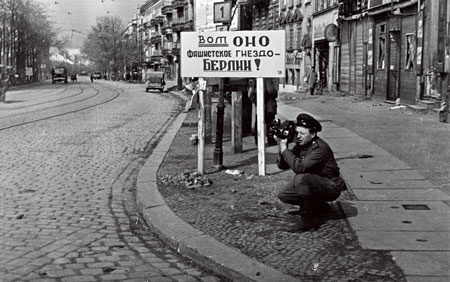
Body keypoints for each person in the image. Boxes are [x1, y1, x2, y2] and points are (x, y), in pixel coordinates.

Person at [276, 113, 347, 232]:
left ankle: (307, 221)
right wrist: (283, 147)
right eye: (297, 133)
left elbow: (299, 167)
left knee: (301, 178)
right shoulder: (302, 145)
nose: (298, 137)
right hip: (317, 184)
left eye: (302, 134)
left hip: (331, 186)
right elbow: (282, 166)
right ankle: (319, 207)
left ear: (313, 134)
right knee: (284, 194)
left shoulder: (320, 148)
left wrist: (284, 150)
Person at [249, 78, 279, 146]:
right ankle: (270, 140)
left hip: (260, 105)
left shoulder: (256, 78)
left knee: (259, 123)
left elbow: (250, 93)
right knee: (270, 124)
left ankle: (258, 140)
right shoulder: (268, 78)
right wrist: (275, 92)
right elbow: (270, 90)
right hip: (269, 106)